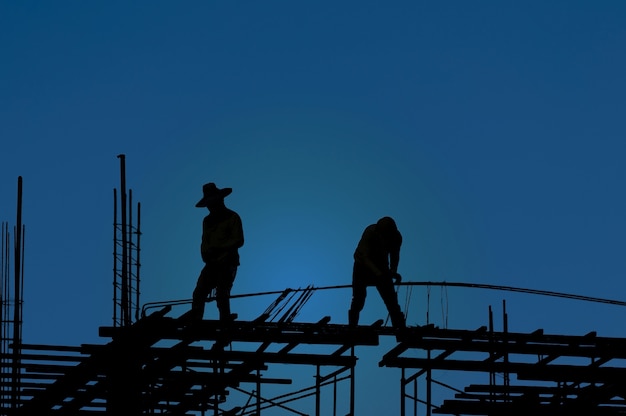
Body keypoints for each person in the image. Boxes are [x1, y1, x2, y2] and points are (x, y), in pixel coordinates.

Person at [190, 182, 244, 322]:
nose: (210, 206)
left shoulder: (232, 217)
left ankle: (224, 319)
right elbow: (204, 241)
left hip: (227, 261)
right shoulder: (207, 221)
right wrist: (206, 254)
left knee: (222, 292)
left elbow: (238, 240)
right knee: (199, 292)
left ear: (220, 200)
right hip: (212, 263)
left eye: (212, 203)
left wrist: (219, 249)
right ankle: (196, 320)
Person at [348, 216, 406, 328]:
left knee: (391, 300)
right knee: (359, 298)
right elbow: (365, 257)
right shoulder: (370, 232)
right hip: (362, 266)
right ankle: (352, 326)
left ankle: (400, 328)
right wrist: (379, 274)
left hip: (382, 266)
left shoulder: (396, 237)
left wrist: (393, 272)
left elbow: (395, 255)